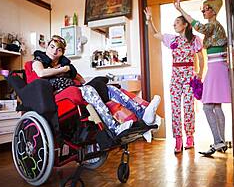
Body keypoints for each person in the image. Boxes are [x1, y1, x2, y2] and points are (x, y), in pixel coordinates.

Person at [32, 35, 161, 136]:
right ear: (47, 47)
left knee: (108, 88)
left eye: (59, 49)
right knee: (89, 89)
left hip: (75, 90)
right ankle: (114, 127)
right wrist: (63, 70)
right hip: (59, 95)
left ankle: (143, 113)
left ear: (62, 53)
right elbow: (41, 73)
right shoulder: (39, 61)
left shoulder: (66, 65)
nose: (54, 51)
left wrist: (84, 82)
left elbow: (80, 79)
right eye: (52, 47)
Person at [173, 0, 231, 156]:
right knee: (216, 106)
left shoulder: (212, 25)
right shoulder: (215, 26)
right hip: (217, 66)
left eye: (206, 9)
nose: (203, 11)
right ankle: (221, 142)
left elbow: (197, 25)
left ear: (213, 11)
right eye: (203, 9)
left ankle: (218, 141)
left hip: (216, 67)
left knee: (207, 107)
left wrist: (180, 9)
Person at [144, 6, 204, 154]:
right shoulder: (172, 39)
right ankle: (178, 139)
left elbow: (201, 58)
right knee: (176, 109)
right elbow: (156, 34)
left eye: (177, 22)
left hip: (189, 77)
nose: (174, 24)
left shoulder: (194, 39)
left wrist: (200, 73)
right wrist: (150, 20)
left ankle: (190, 136)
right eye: (174, 23)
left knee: (189, 108)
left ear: (185, 25)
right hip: (175, 78)